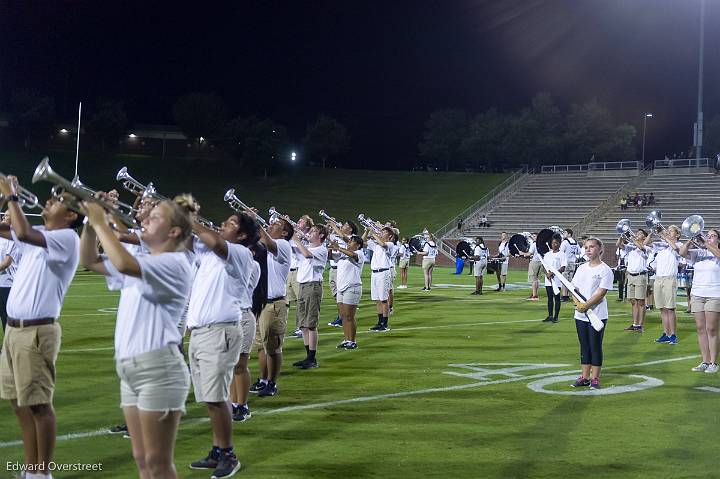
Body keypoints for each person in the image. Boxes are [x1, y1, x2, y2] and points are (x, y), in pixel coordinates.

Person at [80, 195, 195, 479]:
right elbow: (89, 260)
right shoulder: (143, 260)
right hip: (131, 367)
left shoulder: (176, 263)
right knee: (141, 458)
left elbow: (122, 264)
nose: (144, 220)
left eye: (155, 217)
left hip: (159, 369)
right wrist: (89, 224)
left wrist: (100, 219)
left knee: (158, 462)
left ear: (174, 232)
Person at [0, 177, 82, 479]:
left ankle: (41, 473)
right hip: (13, 331)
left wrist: (13, 197)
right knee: (19, 402)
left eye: (58, 199)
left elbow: (19, 230)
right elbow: (9, 229)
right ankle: (30, 468)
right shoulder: (42, 233)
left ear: (72, 215)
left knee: (38, 405)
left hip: (36, 332)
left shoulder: (67, 238)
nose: (49, 200)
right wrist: (7, 194)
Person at [184, 212, 260, 477]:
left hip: (220, 332)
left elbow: (214, 241)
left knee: (217, 398)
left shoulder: (240, 253)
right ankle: (217, 450)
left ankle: (229, 454)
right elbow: (186, 242)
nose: (222, 224)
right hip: (201, 332)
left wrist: (187, 217)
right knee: (209, 397)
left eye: (229, 223)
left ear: (241, 235)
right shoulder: (209, 254)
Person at [249, 217, 293, 397]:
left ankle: (272, 383)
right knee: (261, 346)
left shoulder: (283, 244)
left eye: (276, 224)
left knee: (273, 347)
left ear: (284, 233)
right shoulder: (265, 245)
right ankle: (263, 379)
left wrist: (255, 221)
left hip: (274, 303)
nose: (271, 223)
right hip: (260, 302)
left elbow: (267, 240)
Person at [570, 237, 614, 389]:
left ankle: (595, 378)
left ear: (600, 249)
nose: (588, 250)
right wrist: (578, 304)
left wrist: (585, 305)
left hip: (597, 314)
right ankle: (584, 376)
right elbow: (573, 289)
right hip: (580, 314)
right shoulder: (581, 268)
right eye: (586, 247)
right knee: (584, 346)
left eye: (591, 247)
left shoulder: (605, 270)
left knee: (595, 345)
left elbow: (600, 293)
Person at [679, 229, 720, 373]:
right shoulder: (698, 253)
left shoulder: (716, 252)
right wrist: (691, 239)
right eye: (707, 236)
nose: (709, 238)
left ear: (718, 240)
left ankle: (714, 363)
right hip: (697, 294)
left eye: (713, 236)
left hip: (714, 294)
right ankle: (705, 360)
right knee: (701, 329)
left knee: (712, 329)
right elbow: (682, 252)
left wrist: (706, 244)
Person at [291, 224, 328, 369]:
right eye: (310, 230)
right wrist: (290, 235)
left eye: (314, 231)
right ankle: (308, 357)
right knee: (303, 325)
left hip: (313, 286)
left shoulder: (321, 249)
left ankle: (312, 358)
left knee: (311, 324)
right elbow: (291, 249)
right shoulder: (307, 247)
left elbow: (306, 254)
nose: (310, 233)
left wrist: (297, 239)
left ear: (321, 236)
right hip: (303, 285)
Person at [645, 225, 682, 345]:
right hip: (658, 278)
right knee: (662, 308)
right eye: (667, 230)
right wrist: (651, 232)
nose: (667, 232)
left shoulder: (679, 245)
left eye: (671, 231)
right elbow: (645, 244)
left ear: (677, 234)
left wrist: (664, 236)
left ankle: (673, 335)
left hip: (669, 278)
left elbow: (675, 248)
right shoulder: (660, 246)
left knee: (670, 308)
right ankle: (666, 333)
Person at [329, 235, 365, 349]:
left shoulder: (360, 253)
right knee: (343, 316)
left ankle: (352, 341)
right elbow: (329, 257)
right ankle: (346, 340)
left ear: (358, 245)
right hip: (341, 288)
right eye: (348, 241)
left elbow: (353, 255)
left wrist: (338, 248)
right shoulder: (342, 254)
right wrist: (330, 247)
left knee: (350, 316)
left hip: (352, 287)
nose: (349, 242)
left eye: (352, 241)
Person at [364, 226, 397, 331]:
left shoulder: (390, 244)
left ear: (390, 236)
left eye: (384, 232)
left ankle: (385, 323)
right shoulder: (376, 245)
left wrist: (374, 233)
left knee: (383, 299)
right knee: (377, 299)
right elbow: (363, 240)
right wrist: (367, 230)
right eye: (381, 232)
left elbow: (383, 244)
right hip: (374, 273)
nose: (381, 233)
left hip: (384, 273)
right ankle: (379, 322)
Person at [326, 220, 358, 327]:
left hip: (341, 269)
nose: (342, 226)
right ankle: (341, 316)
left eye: (345, 225)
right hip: (333, 267)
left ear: (351, 229)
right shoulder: (338, 236)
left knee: (341, 294)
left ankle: (342, 317)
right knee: (336, 294)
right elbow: (330, 254)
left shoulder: (352, 238)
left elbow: (344, 237)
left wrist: (334, 226)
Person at [618, 229, 649, 332]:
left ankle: (641, 325)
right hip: (630, 276)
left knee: (641, 301)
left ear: (644, 237)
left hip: (640, 276)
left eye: (640, 234)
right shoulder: (631, 248)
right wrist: (622, 236)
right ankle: (635, 324)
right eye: (637, 233)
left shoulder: (646, 247)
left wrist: (631, 237)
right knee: (633, 301)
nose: (637, 234)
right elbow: (619, 245)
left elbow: (640, 246)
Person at [286, 215, 312, 338]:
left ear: (307, 226)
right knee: (285, 302)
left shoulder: (307, 238)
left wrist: (296, 233)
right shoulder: (293, 235)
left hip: (299, 271)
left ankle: (301, 328)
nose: (297, 222)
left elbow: (301, 247)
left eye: (301, 221)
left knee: (300, 302)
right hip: (288, 272)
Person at [0, 211, 20, 334]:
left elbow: (6, 263)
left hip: (8, 284)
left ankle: (11, 346)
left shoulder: (14, 237)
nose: (3, 217)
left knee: (7, 318)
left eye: (7, 215)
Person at [542, 234, 567, 323]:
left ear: (559, 244)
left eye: (556, 243)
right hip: (548, 280)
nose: (554, 245)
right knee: (549, 298)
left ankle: (556, 316)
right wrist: (547, 274)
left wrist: (553, 273)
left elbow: (563, 267)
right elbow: (544, 266)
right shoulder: (547, 254)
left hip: (556, 280)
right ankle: (550, 315)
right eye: (553, 243)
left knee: (556, 298)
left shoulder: (562, 254)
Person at [559, 229, 580, 302]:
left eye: (565, 233)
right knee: (570, 280)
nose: (564, 234)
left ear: (569, 234)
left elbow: (561, 252)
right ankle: (569, 294)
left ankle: (565, 296)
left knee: (564, 280)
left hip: (566, 262)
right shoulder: (575, 242)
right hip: (573, 262)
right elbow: (578, 252)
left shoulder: (565, 242)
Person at [521, 233, 542, 301]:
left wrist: (522, 253)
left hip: (534, 262)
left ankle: (534, 295)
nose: (533, 237)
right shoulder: (542, 244)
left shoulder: (534, 244)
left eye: (534, 236)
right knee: (537, 279)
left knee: (533, 279)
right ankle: (535, 293)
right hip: (541, 262)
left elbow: (529, 254)